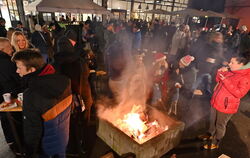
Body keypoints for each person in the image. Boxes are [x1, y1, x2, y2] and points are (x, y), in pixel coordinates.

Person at [12, 49, 72, 158]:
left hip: (46, 149)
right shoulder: (64, 81)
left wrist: (29, 153)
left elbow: (32, 132)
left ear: (31, 70)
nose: (17, 71)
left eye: (19, 68)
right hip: (62, 139)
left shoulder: (31, 94)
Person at [199, 53, 250, 149]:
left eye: (232, 62)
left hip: (226, 106)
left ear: (241, 65)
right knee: (212, 120)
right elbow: (218, 80)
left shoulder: (246, 78)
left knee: (220, 125)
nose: (229, 64)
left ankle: (216, 142)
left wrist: (226, 80)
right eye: (230, 62)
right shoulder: (231, 71)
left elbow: (239, 94)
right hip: (216, 100)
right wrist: (220, 72)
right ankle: (209, 134)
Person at [0, 37, 21, 154]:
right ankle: (17, 144)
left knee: (4, 120)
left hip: (2, 98)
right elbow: (16, 79)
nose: (12, 49)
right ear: (2, 49)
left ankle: (10, 141)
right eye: (9, 47)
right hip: (10, 96)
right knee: (12, 121)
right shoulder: (7, 62)